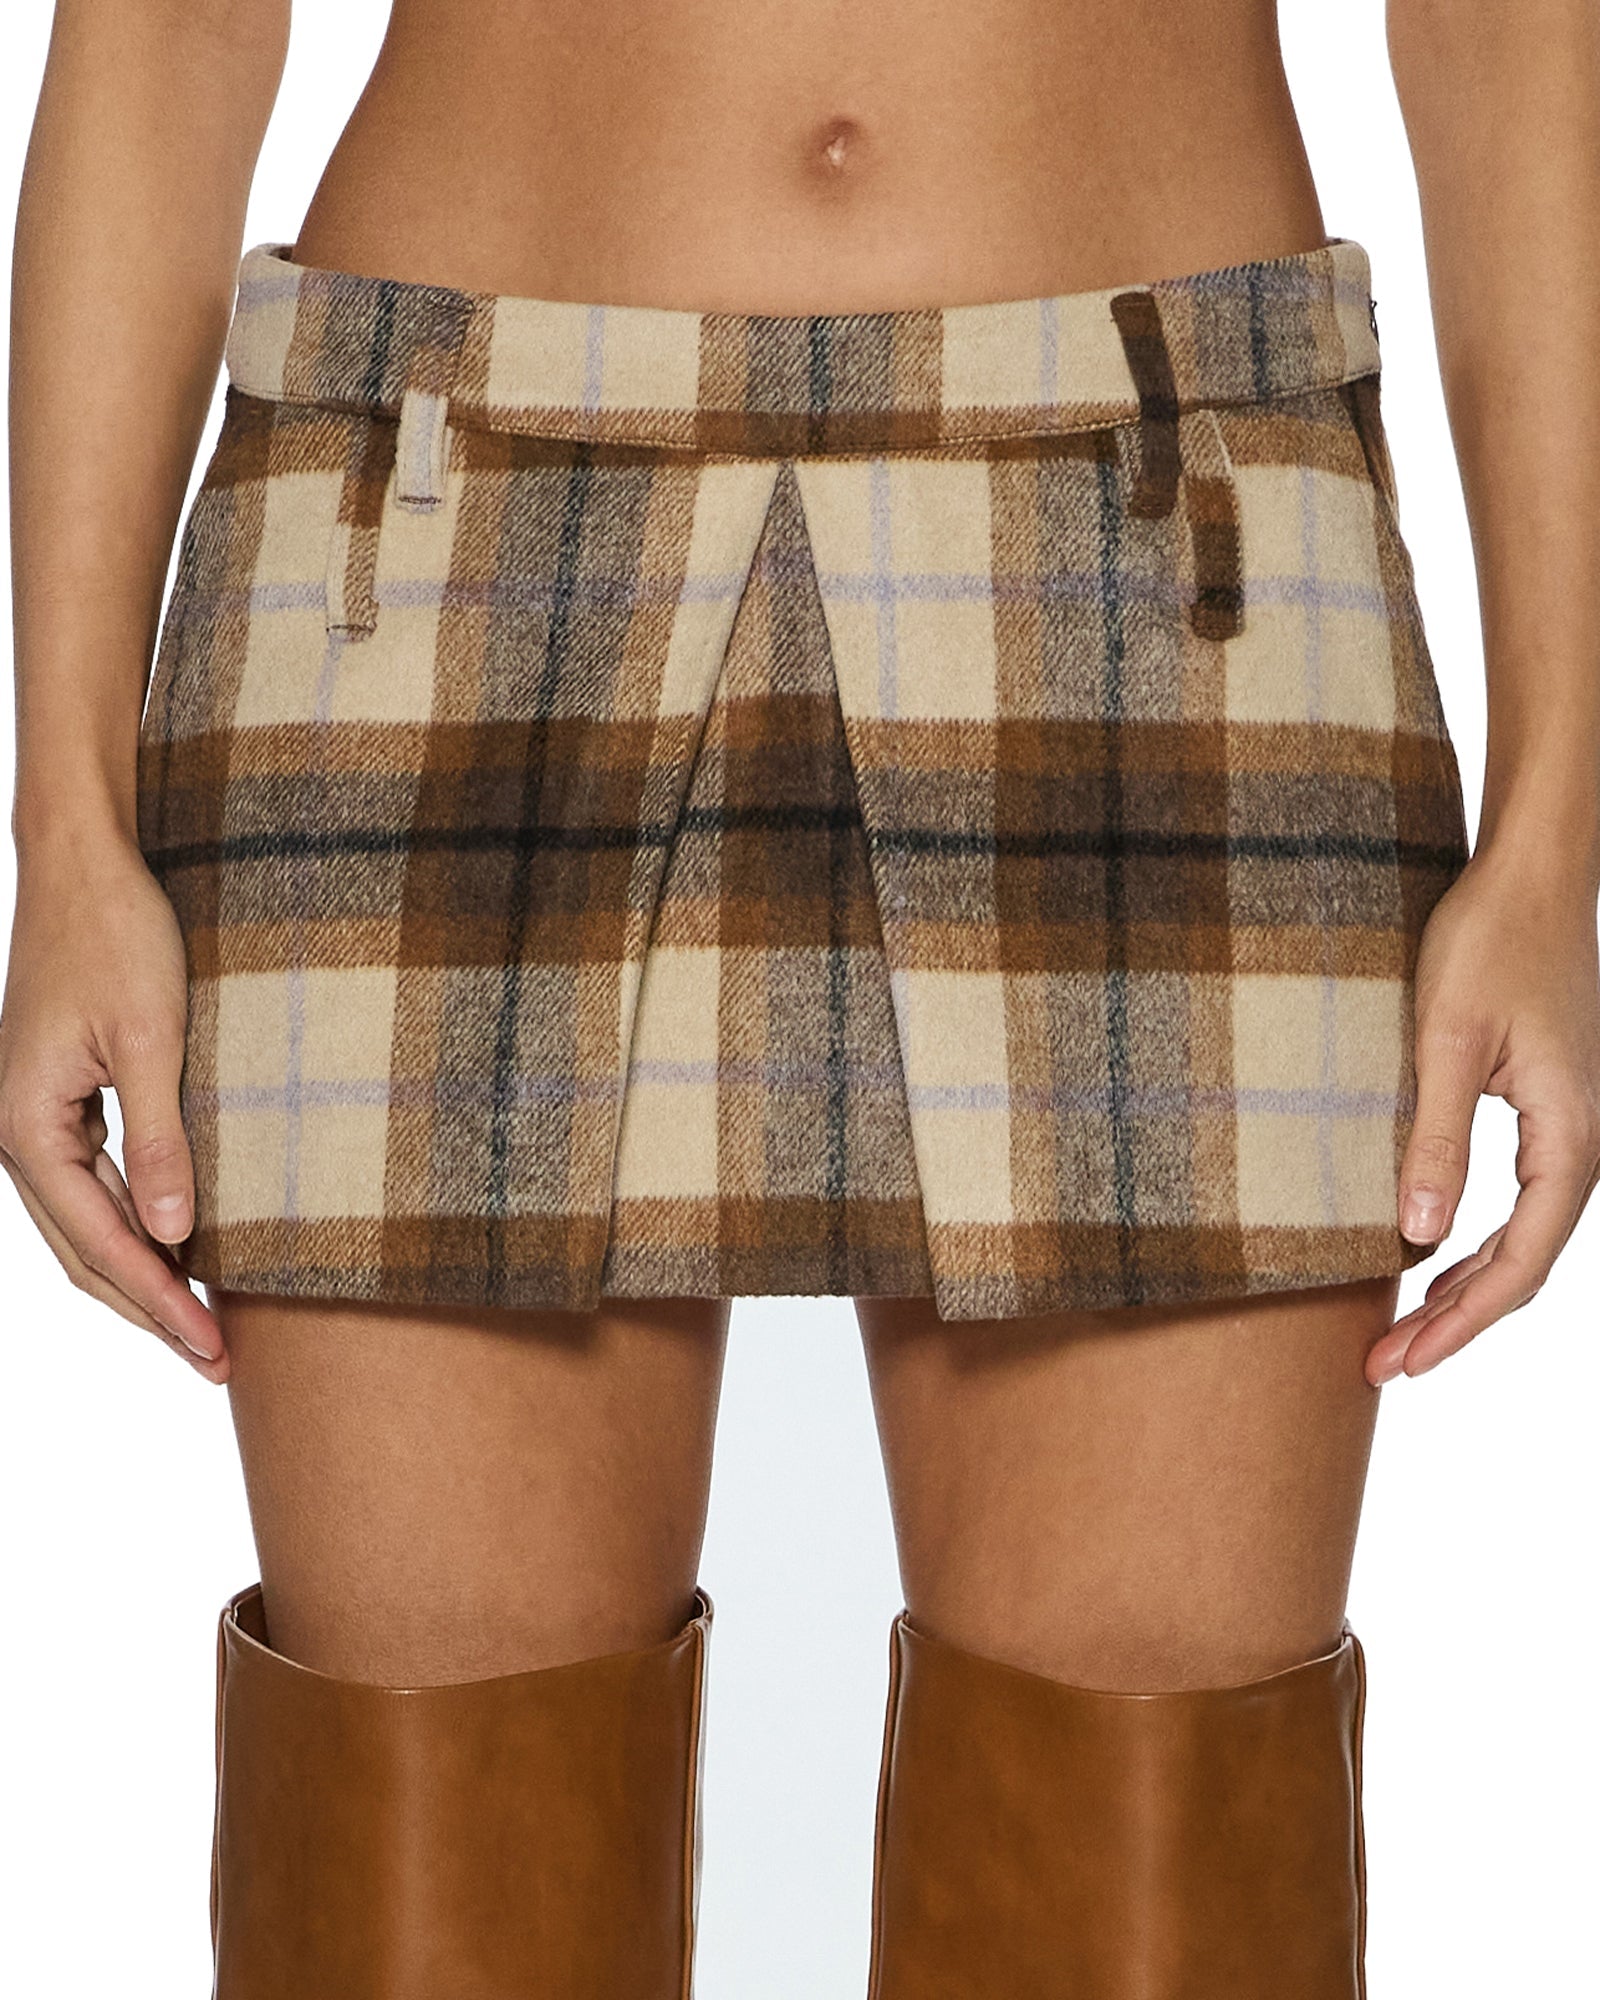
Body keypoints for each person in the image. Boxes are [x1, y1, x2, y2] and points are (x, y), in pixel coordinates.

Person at [4, 0, 1597, 1994]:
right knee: (425, 1892)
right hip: (438, 512)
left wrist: (1555, 833)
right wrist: (64, 829)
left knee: (1159, 1890)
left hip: (1166, 515)